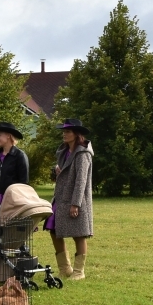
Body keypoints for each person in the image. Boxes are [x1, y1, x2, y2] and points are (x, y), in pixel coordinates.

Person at [50, 118, 94, 281]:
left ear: (76, 134)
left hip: (76, 199)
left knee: (79, 234)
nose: (64, 134)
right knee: (54, 230)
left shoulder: (83, 153)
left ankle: (79, 271)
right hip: (60, 198)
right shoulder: (63, 151)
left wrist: (76, 204)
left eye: (67, 131)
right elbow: (63, 174)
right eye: (64, 131)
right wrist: (56, 171)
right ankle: (65, 268)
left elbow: (81, 180)